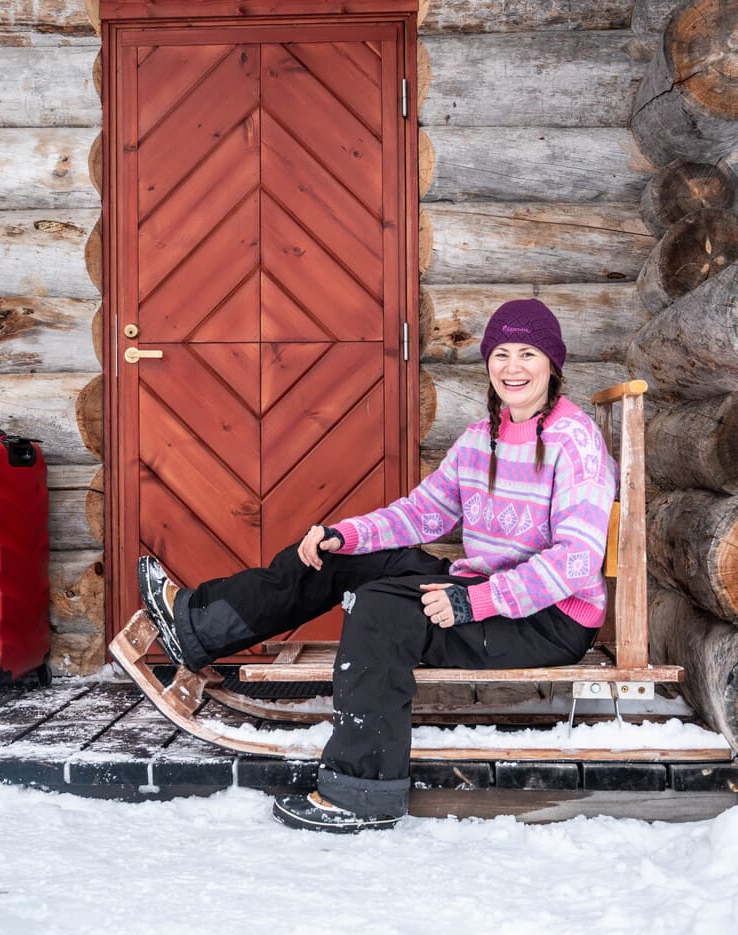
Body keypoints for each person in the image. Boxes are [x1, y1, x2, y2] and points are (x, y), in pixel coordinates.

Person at [137, 299, 617, 834]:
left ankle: (363, 792)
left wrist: (472, 601)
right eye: (501, 353)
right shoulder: (481, 439)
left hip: (548, 620)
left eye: (528, 354)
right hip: (484, 594)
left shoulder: (577, 444)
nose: (513, 367)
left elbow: (576, 561)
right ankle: (199, 625)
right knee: (344, 562)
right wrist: (346, 535)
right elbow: (421, 514)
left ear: (552, 364)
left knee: (382, 611)